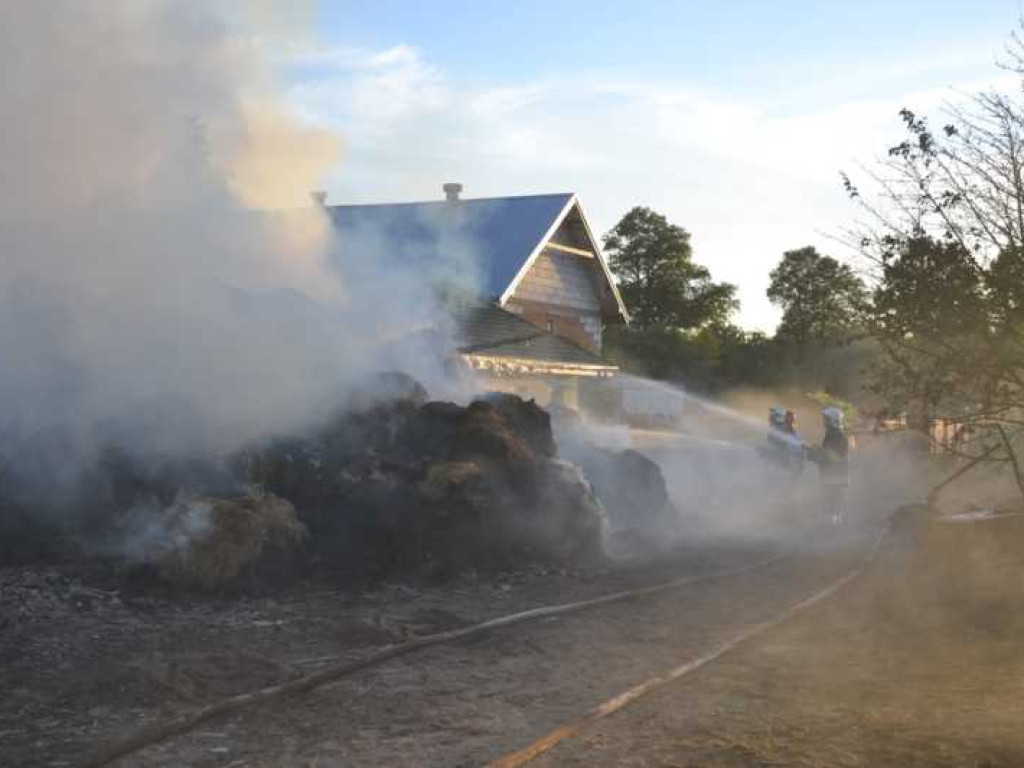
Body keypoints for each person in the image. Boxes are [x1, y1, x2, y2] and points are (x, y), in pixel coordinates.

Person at [815, 407, 850, 525]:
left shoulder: (837, 436)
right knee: (832, 501)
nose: (824, 422)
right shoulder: (832, 435)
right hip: (832, 475)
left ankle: (834, 526)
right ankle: (833, 524)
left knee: (834, 501)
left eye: (826, 419)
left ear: (833, 420)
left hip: (836, 475)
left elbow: (836, 456)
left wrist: (819, 454)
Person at [762, 406, 805, 478]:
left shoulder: (788, 434)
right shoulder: (775, 432)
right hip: (776, 472)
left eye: (772, 417)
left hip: (782, 474)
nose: (769, 419)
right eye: (771, 417)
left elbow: (793, 455)